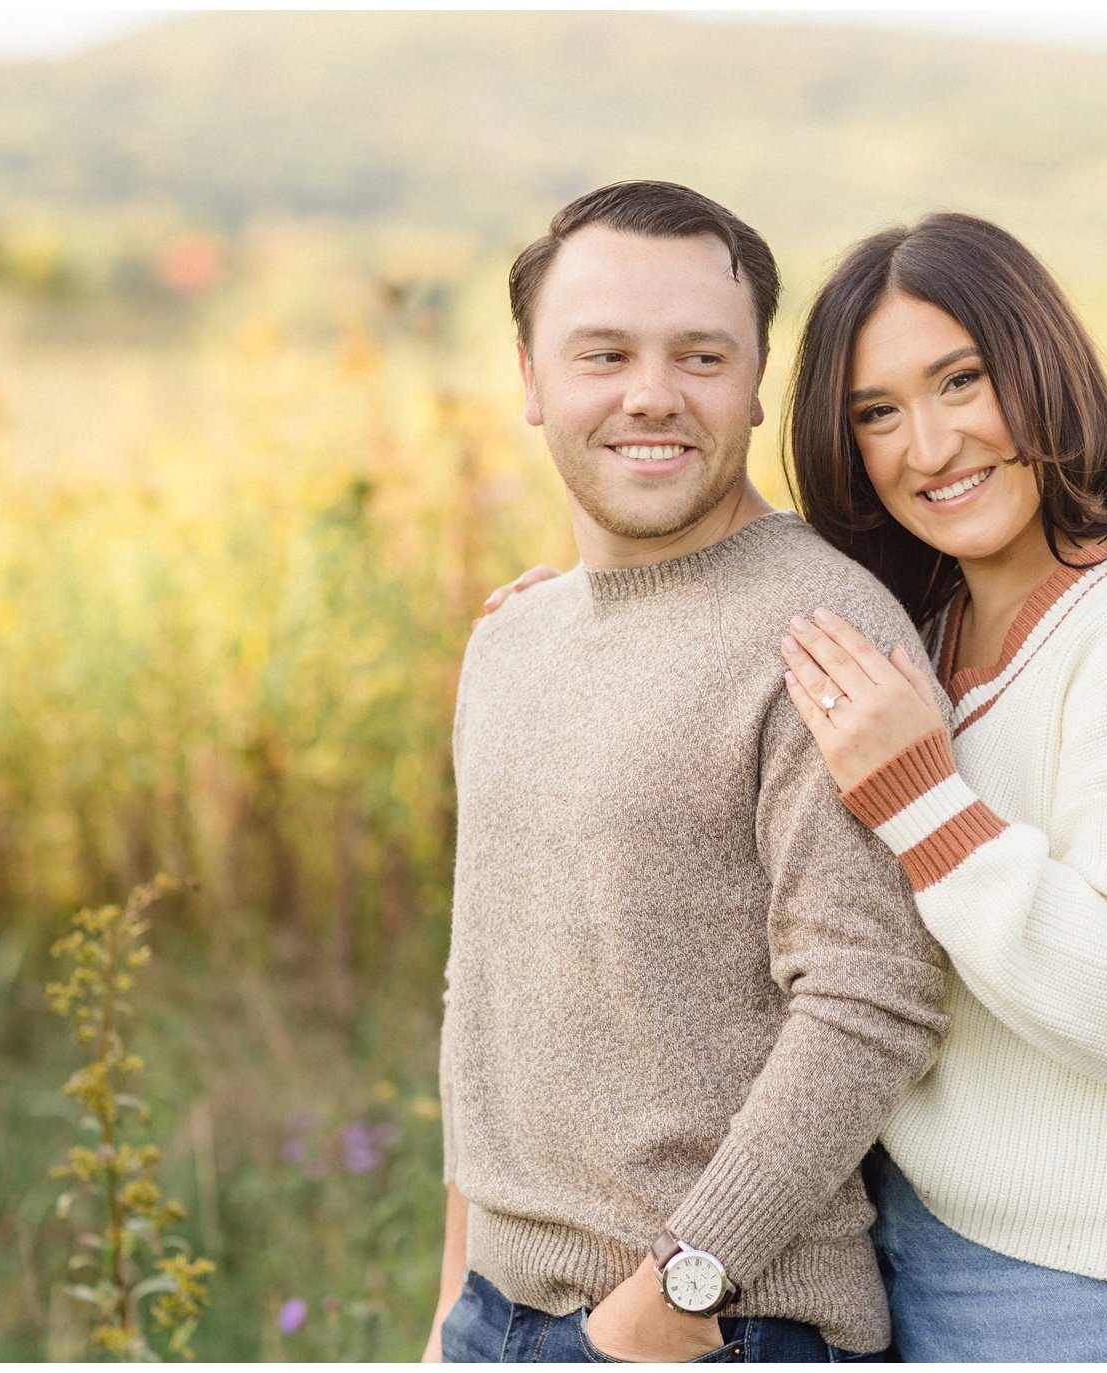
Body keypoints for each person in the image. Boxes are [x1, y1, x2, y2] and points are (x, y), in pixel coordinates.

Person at [773, 212, 1107, 1361]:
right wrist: (596, 600)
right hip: (927, 1241)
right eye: (876, 413)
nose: (927, 445)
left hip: (1098, 1287)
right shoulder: (923, 624)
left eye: (960, 381)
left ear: (1039, 366)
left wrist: (924, 801)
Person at [421, 181, 950, 1365]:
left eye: (698, 355)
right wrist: (455, 1291)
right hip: (494, 1313)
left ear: (755, 379)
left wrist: (677, 1291)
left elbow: (874, 996)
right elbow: (484, 994)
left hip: (718, 1325)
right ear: (529, 377)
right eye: (602, 351)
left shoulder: (822, 633)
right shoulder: (511, 640)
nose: (650, 393)